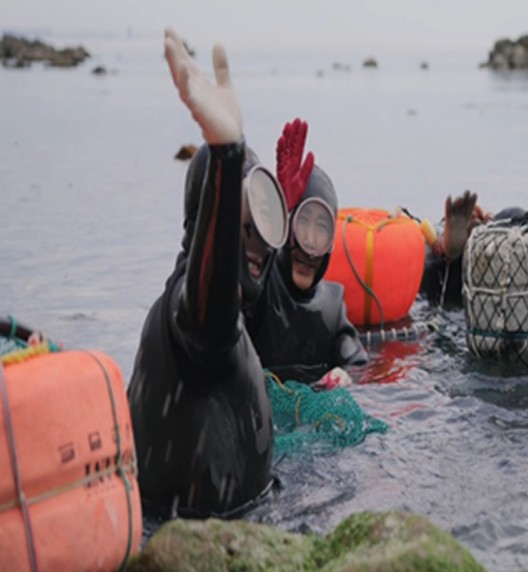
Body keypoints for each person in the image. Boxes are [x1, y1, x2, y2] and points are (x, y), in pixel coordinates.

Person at [127, 28, 285, 517]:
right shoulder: (190, 319)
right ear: (205, 229)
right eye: (241, 225)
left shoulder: (228, 321)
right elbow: (209, 313)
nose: (255, 245)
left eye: (263, 225)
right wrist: (226, 155)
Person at [246, 119, 369, 388]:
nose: (309, 245)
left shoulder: (333, 305)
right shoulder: (259, 281)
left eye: (321, 228)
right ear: (288, 227)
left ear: (331, 244)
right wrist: (273, 219)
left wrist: (346, 375)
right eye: (303, 223)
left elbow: (358, 361)